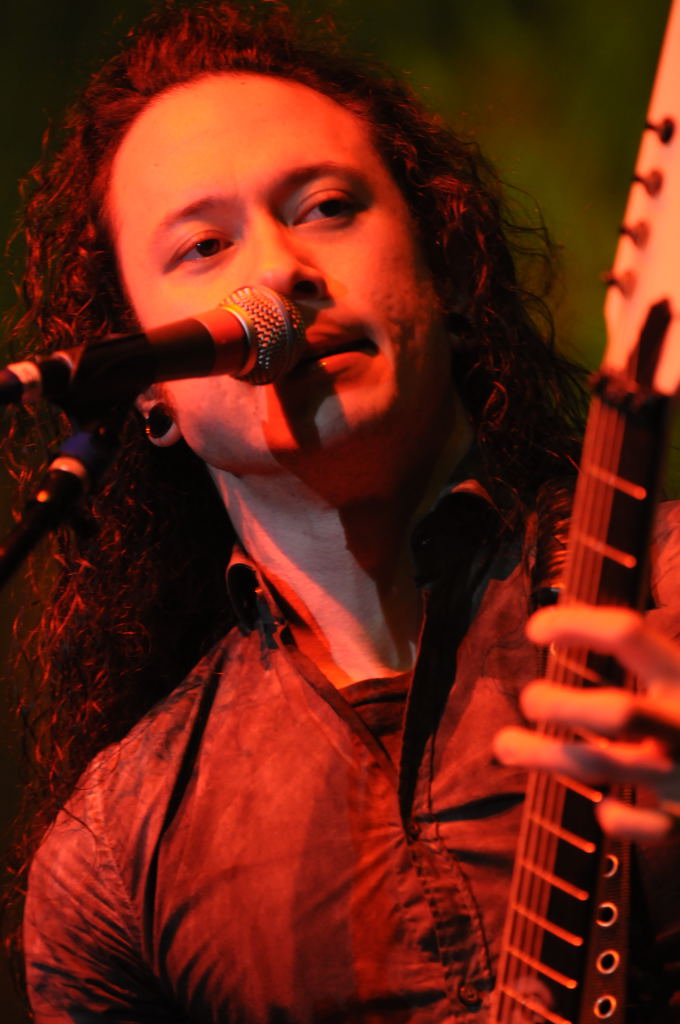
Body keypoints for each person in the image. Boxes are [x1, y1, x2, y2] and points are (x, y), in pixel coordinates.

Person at [4, 1, 680, 1021]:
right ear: (144, 390)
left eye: (325, 206)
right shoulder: (114, 855)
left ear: (447, 268)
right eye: (203, 246)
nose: (277, 272)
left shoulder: (662, 590)